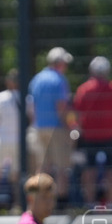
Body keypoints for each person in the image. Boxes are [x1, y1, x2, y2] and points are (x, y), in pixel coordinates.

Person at [73, 56, 112, 207]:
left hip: (89, 135)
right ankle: (111, 204)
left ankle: (90, 204)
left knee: (89, 172)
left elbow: (78, 113)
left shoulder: (83, 89)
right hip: (110, 135)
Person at [28, 47, 75, 204]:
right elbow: (61, 106)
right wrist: (70, 125)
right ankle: (62, 203)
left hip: (38, 127)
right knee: (62, 167)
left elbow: (31, 107)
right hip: (57, 128)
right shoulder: (60, 80)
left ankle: (38, 201)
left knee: (42, 167)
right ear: (60, 63)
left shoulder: (37, 79)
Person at [0, 69, 22, 215]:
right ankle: (18, 204)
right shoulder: (26, 98)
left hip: (1, 139)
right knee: (16, 175)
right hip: (18, 140)